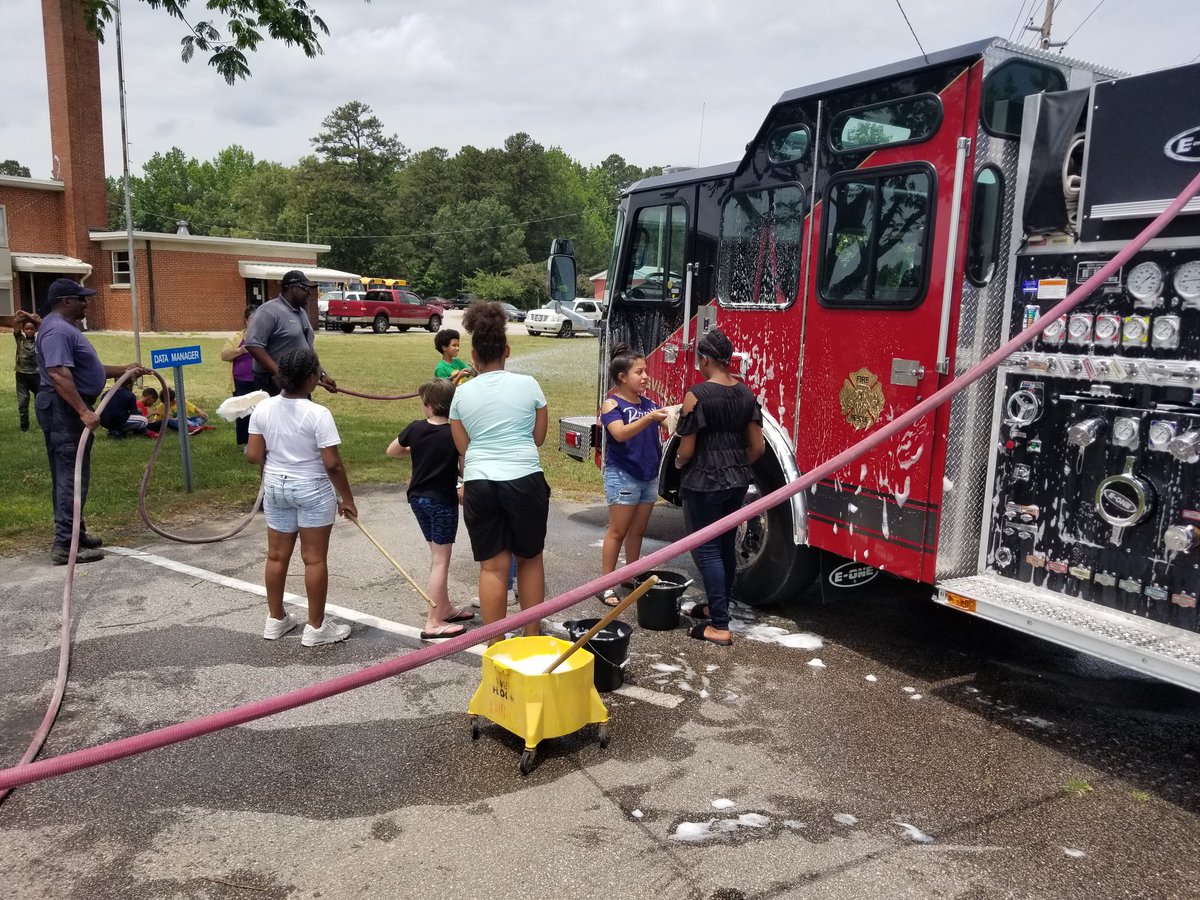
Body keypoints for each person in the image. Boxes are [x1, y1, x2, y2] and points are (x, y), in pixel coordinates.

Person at [27, 281, 147, 565]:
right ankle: (66, 544)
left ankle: (75, 534)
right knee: (70, 475)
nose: (87, 303)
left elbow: (87, 369)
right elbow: (58, 373)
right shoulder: (57, 330)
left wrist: (124, 370)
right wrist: (83, 410)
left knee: (74, 473)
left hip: (65, 406)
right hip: (63, 409)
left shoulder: (65, 328)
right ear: (66, 301)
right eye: (82, 299)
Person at [449, 302, 550, 637]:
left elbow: (463, 448)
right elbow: (538, 438)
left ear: (473, 357)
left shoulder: (461, 395)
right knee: (530, 559)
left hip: (480, 483)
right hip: (524, 479)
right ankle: (531, 639)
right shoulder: (530, 385)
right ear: (506, 350)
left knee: (492, 567)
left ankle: (495, 646)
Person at [247, 348, 356, 646]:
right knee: (314, 559)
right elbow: (332, 463)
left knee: (276, 555)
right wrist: (347, 498)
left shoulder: (263, 409)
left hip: (275, 486)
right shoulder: (318, 414)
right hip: (312, 488)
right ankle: (316, 627)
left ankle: (276, 619)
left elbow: (254, 456)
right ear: (311, 378)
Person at [674, 329, 764, 647]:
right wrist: (738, 465)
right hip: (737, 481)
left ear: (707, 359)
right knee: (725, 546)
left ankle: (719, 625)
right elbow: (758, 448)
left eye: (699, 358)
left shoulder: (696, 394)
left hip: (705, 481)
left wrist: (680, 465)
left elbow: (686, 450)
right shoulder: (746, 394)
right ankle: (718, 606)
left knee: (708, 549)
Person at [386, 378, 476, 639]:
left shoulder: (415, 429)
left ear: (428, 406)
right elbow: (464, 469)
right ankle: (433, 622)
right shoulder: (453, 434)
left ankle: (444, 607)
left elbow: (392, 450)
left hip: (418, 500)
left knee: (436, 555)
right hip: (442, 501)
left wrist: (419, 450)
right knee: (440, 560)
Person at [598, 345, 667, 607]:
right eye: (639, 372)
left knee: (637, 531)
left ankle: (630, 575)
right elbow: (619, 433)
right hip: (622, 476)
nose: (646, 376)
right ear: (622, 377)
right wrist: (650, 418)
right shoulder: (611, 404)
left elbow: (670, 420)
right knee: (618, 531)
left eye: (646, 371)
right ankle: (606, 584)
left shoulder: (648, 403)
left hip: (648, 476)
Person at [243, 270, 336, 397]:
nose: (309, 292)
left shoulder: (302, 312)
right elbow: (253, 345)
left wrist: (321, 375)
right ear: (292, 288)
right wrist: (281, 375)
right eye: (305, 288)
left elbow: (308, 350)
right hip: (273, 384)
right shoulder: (268, 311)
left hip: (299, 383)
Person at [220, 304, 258, 447]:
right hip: (241, 380)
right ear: (246, 320)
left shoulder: (265, 335)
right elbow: (224, 355)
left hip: (260, 379)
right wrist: (241, 350)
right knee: (243, 412)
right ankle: (245, 442)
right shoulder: (236, 337)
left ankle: (260, 442)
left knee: (259, 412)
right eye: (251, 319)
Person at [14, 316, 39, 432]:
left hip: (36, 375)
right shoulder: (20, 339)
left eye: (32, 329)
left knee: (40, 401)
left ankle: (44, 424)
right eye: (27, 329)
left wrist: (32, 317)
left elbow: (43, 325)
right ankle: (24, 427)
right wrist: (22, 317)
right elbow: (16, 324)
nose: (29, 331)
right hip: (21, 375)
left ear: (35, 330)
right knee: (23, 402)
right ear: (23, 329)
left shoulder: (39, 341)